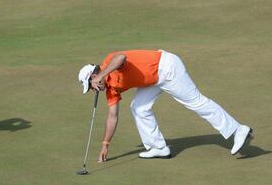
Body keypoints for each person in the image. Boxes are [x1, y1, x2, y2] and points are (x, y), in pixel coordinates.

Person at [78, 49, 253, 161]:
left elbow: (121, 58)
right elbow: (112, 116)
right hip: (153, 80)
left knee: (195, 102)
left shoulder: (110, 61)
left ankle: (238, 129)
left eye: (91, 85)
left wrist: (102, 75)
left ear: (94, 75)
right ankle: (158, 147)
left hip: (166, 67)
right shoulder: (110, 90)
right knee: (138, 107)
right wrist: (105, 145)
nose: (93, 90)